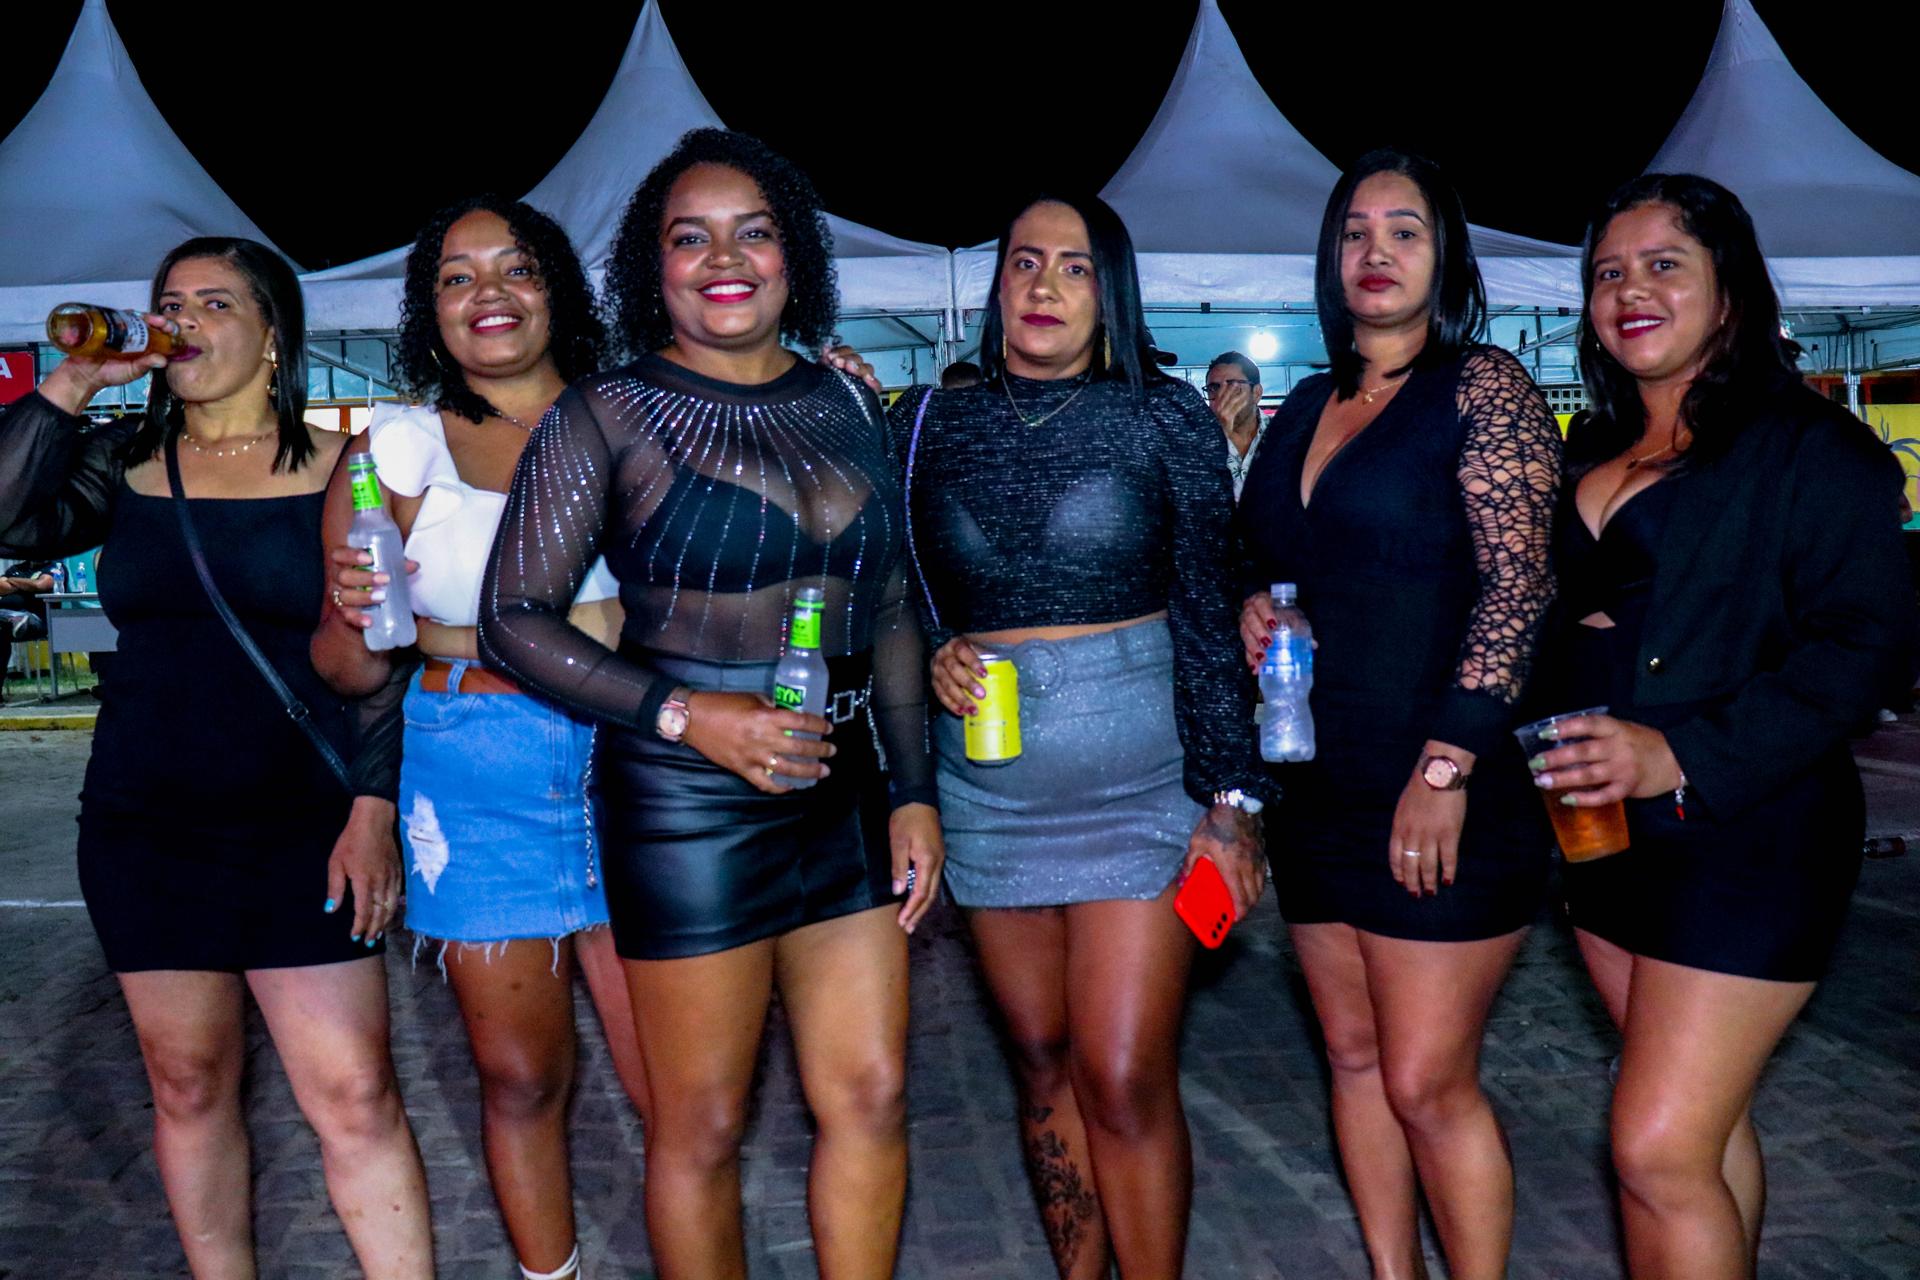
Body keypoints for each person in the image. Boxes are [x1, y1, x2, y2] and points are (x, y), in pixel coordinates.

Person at [478, 127, 943, 1280]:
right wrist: (688, 714)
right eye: (691, 238)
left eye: (754, 233)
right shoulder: (607, 412)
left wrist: (913, 791)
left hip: (840, 786)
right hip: (685, 800)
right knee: (702, 1123)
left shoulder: (848, 401)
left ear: (795, 258)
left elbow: (889, 604)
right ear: (655, 266)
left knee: (873, 1092)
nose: (725, 259)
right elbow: (513, 619)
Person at [0, 238, 432, 1278]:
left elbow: (382, 655)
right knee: (188, 1086)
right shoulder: (124, 461)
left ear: (273, 333)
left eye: (215, 302)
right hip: (145, 824)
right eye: (169, 302)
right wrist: (72, 382)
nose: (182, 319)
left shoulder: (344, 467)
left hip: (304, 823)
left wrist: (372, 808)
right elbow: (8, 518)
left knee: (354, 1094)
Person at [1528, 173, 1909, 1280]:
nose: (1629, 290)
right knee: (1704, 1127)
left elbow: (1868, 646)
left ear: (1730, 289)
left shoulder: (1811, 448)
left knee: (1654, 1144)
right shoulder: (1588, 442)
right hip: (1600, 826)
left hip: (1750, 829)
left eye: (1663, 265)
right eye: (1608, 272)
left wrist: (1680, 751)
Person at [907, 192, 1270, 1280]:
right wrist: (933, 648)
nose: (1045, 286)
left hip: (1144, 790)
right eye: (1025, 261)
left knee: (1120, 1071)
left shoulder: (1165, 419)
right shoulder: (926, 424)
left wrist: (1233, 802)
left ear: (1109, 290)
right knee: (1040, 1060)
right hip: (989, 795)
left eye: (1073, 267)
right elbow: (899, 591)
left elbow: (1209, 608)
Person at [1235, 149, 1561, 1280]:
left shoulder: (1483, 387)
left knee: (1426, 1080)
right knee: (1355, 1056)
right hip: (1317, 786)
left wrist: (1447, 764)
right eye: (1355, 232)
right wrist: (1253, 606)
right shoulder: (1306, 405)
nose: (1375, 252)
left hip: (1442, 784)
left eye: (1405, 231)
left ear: (1446, 257)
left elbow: (1522, 586)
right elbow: (1265, 557)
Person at [311, 195, 648, 1280]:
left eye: (515, 268)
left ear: (558, 290)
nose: (487, 294)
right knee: (520, 1078)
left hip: (637, 758)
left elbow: (686, 607)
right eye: (457, 278)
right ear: (431, 311)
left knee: (678, 1082)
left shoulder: (634, 417)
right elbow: (350, 665)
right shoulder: (396, 448)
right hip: (471, 766)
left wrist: (457, 630)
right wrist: (358, 613)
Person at [1205, 350, 1266, 500]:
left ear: (1256, 393)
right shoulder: (1195, 442)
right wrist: (1219, 434)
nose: (1222, 397)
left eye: (1233, 387)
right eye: (1214, 388)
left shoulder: (1284, 434)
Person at [0, 559, 55, 696]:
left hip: (36, 620)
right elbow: (1, 587)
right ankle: (13, 618)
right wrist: (27, 585)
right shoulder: (16, 568)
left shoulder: (53, 567)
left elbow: (41, 585)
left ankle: (16, 619)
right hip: (6, 621)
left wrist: (12, 581)